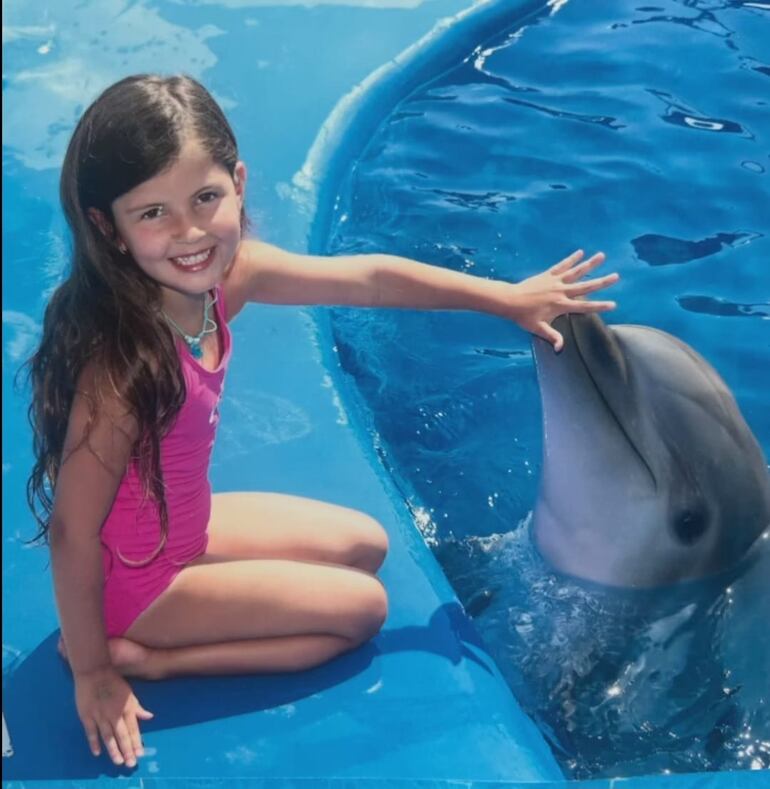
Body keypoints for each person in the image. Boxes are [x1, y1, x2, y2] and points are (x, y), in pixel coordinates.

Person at [25, 74, 619, 770]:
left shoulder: (227, 280)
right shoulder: (122, 368)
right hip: (136, 578)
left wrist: (505, 298)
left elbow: (365, 278)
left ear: (238, 183)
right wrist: (97, 671)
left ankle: (150, 635)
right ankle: (149, 658)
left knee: (366, 542)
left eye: (206, 198)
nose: (188, 233)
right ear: (109, 227)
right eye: (152, 212)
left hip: (181, 524)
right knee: (360, 611)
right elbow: (70, 528)